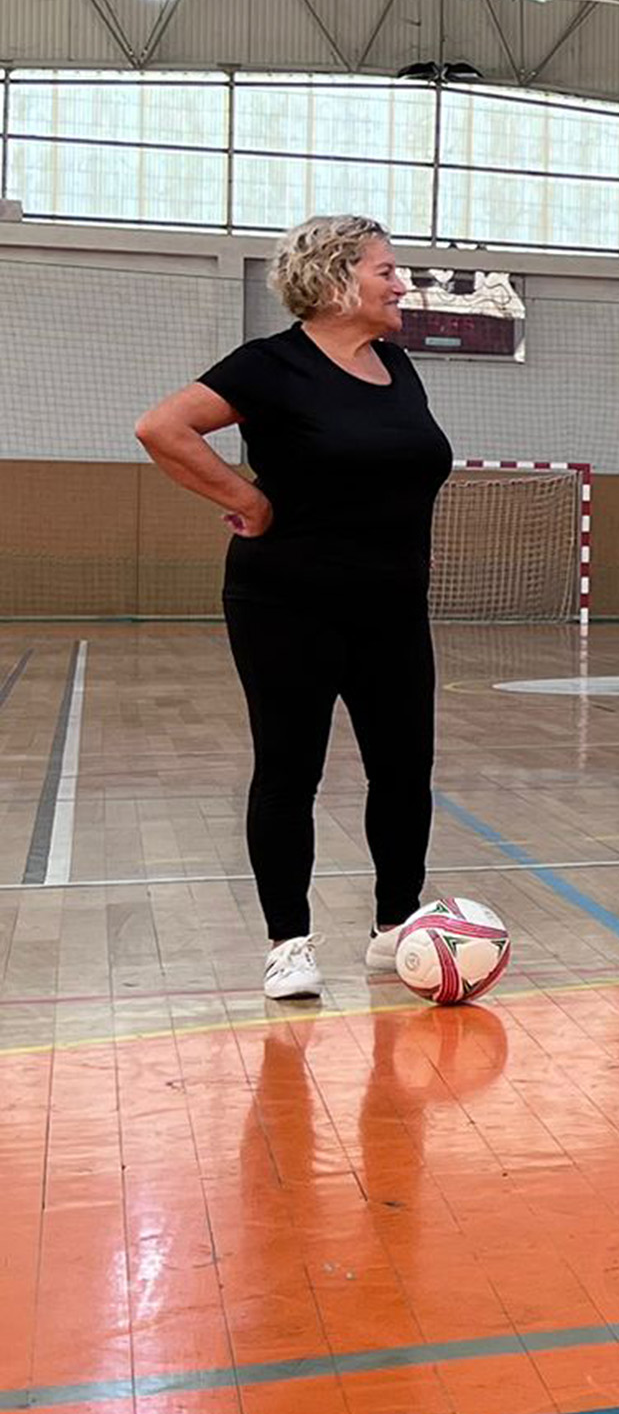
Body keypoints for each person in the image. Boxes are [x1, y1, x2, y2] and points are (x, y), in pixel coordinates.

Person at [135, 215, 451, 1003]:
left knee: (405, 770)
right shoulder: (270, 366)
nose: (401, 283)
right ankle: (288, 944)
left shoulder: (397, 366)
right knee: (289, 771)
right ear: (339, 279)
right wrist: (248, 500)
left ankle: (394, 929)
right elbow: (162, 427)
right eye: (387, 270)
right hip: (286, 603)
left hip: (392, 607)